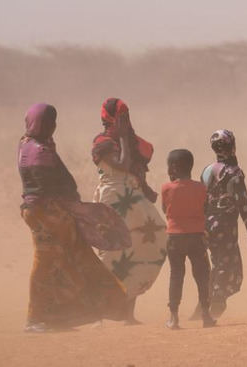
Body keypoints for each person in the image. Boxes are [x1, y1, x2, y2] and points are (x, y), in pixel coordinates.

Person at [18, 103, 131, 332]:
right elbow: (49, 186)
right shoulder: (40, 152)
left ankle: (58, 316)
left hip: (38, 211)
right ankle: (35, 319)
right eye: (50, 122)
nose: (53, 126)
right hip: (47, 213)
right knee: (50, 262)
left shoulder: (26, 145)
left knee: (63, 260)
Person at [92, 98, 167, 324]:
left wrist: (146, 189)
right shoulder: (102, 143)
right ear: (110, 119)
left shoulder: (133, 143)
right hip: (112, 199)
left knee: (139, 250)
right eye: (121, 117)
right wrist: (124, 136)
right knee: (111, 254)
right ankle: (98, 315)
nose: (125, 122)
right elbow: (123, 165)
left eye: (127, 116)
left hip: (133, 199)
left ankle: (128, 314)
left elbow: (134, 172)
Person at [196, 129, 247, 319]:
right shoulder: (234, 173)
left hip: (207, 224)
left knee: (216, 262)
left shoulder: (206, 170)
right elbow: (244, 203)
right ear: (232, 145)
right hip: (225, 225)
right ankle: (216, 303)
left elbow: (201, 201)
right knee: (226, 263)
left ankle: (204, 304)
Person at [162, 149, 216, 329]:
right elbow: (205, 208)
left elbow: (165, 209)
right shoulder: (201, 188)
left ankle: (173, 317)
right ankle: (206, 315)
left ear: (175, 168)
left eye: (170, 165)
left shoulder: (167, 188)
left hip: (174, 238)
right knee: (202, 275)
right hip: (196, 237)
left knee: (176, 275)